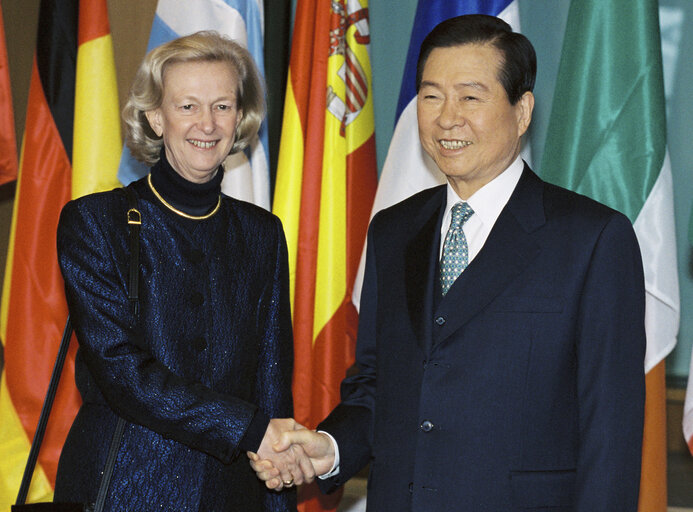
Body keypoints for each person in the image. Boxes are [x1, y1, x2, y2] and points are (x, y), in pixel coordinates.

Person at [252, 14, 646, 511]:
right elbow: (377, 385)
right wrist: (329, 448)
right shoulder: (394, 230)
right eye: (432, 96)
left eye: (471, 97)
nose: (447, 117)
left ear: (522, 111)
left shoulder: (592, 239)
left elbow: (610, 429)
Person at [53, 31, 312, 511]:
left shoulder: (263, 233)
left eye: (222, 106)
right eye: (187, 106)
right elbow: (123, 373)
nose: (207, 125)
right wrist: (251, 429)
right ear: (155, 117)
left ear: (240, 118)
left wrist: (280, 496)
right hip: (125, 489)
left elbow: (272, 381)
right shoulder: (93, 222)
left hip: (231, 492)